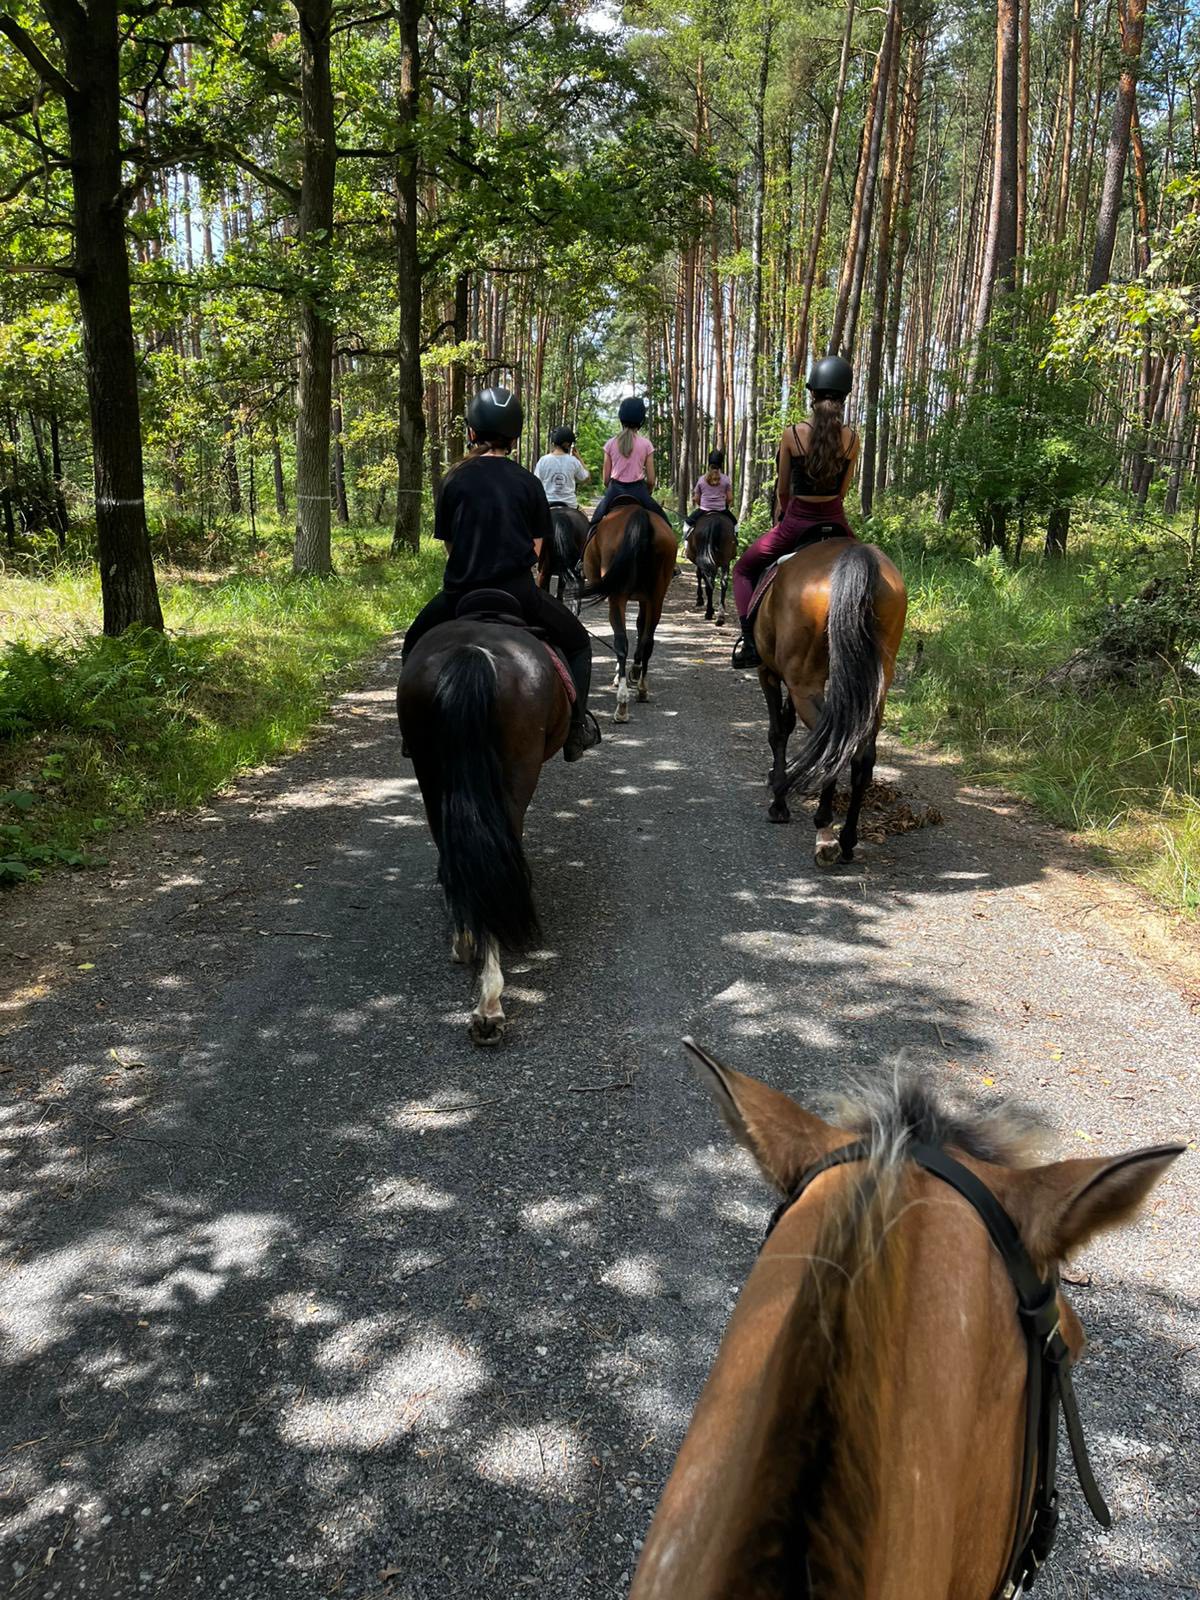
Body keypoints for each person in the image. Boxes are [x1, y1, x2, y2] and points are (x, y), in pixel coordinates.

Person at [401, 386, 600, 760]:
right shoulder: (528, 482)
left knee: (413, 642)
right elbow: (536, 551)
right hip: (518, 594)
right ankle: (576, 731)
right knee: (578, 644)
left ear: (472, 431)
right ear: (514, 436)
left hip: (460, 592)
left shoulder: (453, 479)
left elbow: (450, 545)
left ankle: (411, 735)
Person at [730, 355, 859, 668]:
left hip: (798, 522)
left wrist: (786, 516)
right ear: (845, 395)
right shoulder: (853, 439)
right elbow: (842, 492)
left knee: (742, 570)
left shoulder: (792, 434)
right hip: (837, 521)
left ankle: (749, 642)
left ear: (811, 393)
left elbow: (783, 490)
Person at [585, 396, 670, 534]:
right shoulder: (646, 444)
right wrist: (647, 493)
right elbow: (651, 480)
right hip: (639, 491)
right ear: (641, 420)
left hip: (615, 490)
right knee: (665, 524)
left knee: (593, 524)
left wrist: (612, 488)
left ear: (621, 418)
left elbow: (605, 480)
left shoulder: (610, 444)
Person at [684, 449, 735, 529]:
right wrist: (722, 505)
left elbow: (696, 498)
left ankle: (685, 538)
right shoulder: (726, 479)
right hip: (721, 510)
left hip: (704, 509)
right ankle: (735, 536)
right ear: (721, 464)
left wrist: (704, 505)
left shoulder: (701, 479)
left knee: (687, 524)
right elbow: (730, 498)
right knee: (735, 525)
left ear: (709, 463)